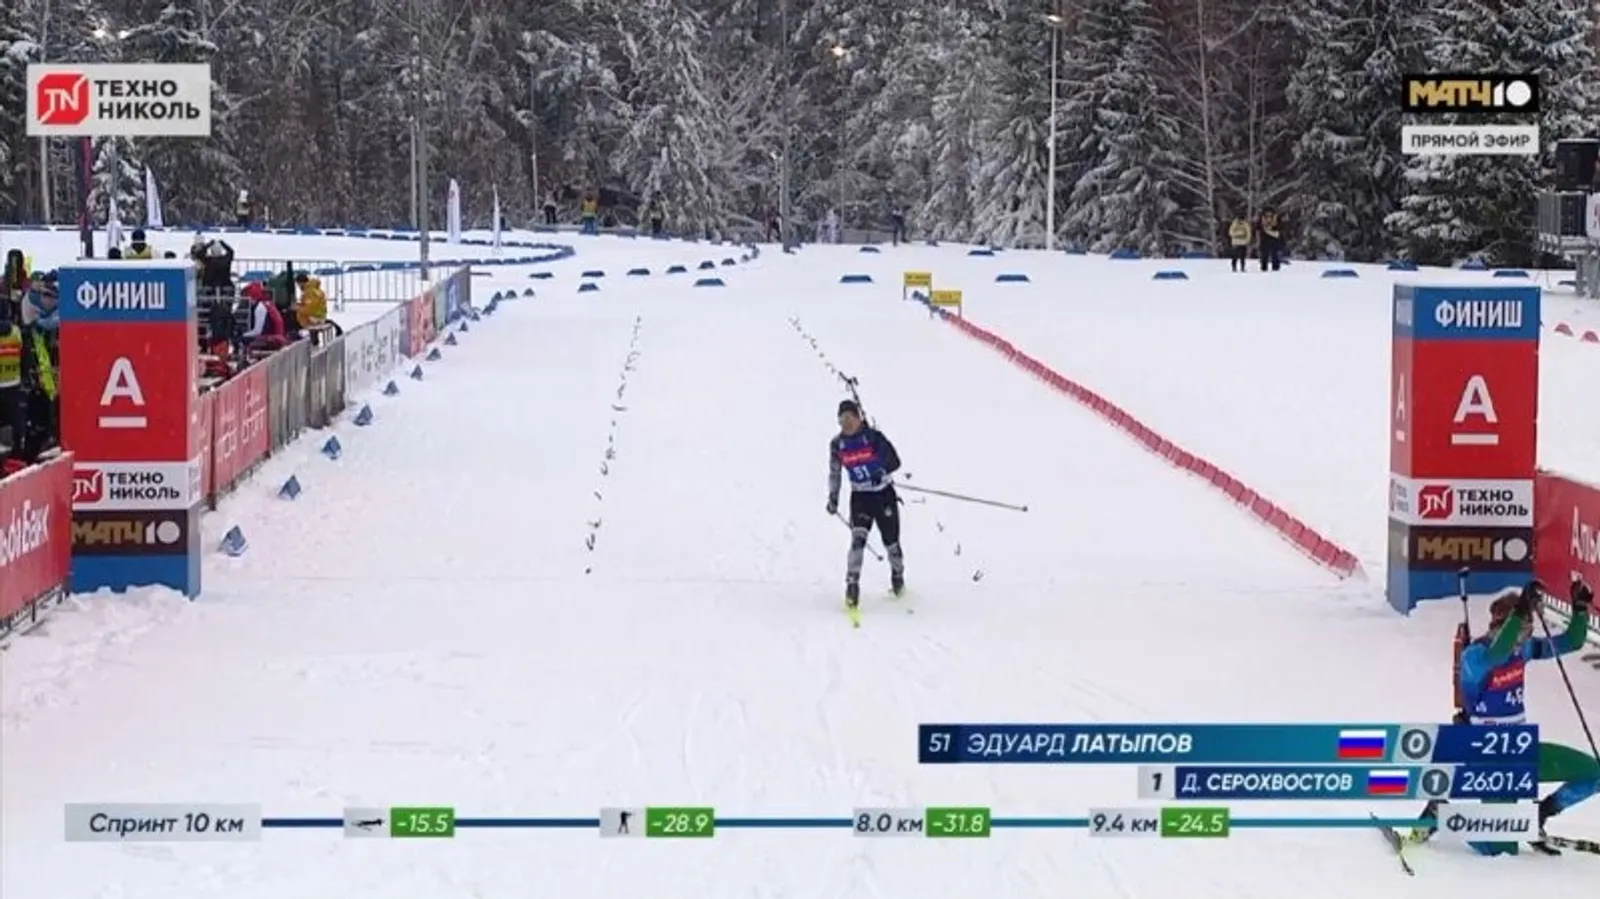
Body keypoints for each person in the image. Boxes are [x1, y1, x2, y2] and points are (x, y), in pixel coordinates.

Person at [1426, 578, 1596, 855]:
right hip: (1491, 760)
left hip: (1521, 751)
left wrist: (1579, 609)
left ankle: (1537, 816)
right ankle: (1442, 814)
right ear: (1501, 626)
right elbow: (1498, 654)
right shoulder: (1475, 656)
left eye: (1529, 629)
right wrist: (1520, 612)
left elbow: (1571, 642)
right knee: (1500, 849)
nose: (1526, 636)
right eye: (1522, 629)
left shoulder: (1522, 649)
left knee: (1593, 773)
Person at [826, 399, 906, 616]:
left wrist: (881, 469)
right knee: (857, 541)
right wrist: (833, 498)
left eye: (850, 418)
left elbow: (895, 462)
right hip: (860, 497)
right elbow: (835, 473)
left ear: (858, 418)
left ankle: (897, 577)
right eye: (842, 420)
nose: (846, 424)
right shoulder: (837, 445)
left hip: (883, 494)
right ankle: (852, 586)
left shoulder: (872, 437)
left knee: (891, 543)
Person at [240, 282, 287, 352]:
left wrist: (243, 335)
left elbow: (257, 331)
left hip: (272, 338)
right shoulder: (267, 303)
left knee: (243, 339)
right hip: (279, 336)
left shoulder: (260, 307)